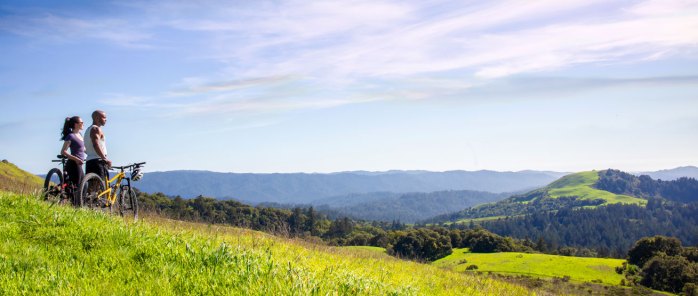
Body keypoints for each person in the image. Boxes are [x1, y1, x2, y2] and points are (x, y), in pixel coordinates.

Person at [60, 116, 86, 204]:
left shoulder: (80, 135)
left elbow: (83, 149)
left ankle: (77, 204)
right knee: (79, 185)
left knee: (84, 184)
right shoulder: (71, 136)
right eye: (81, 123)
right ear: (76, 124)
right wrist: (76, 159)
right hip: (73, 164)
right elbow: (63, 152)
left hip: (79, 164)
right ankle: (75, 206)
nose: (83, 124)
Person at [84, 110, 111, 180]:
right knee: (100, 188)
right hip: (97, 161)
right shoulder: (96, 129)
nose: (106, 120)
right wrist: (104, 158)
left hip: (90, 161)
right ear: (97, 118)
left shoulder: (88, 129)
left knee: (92, 189)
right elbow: (96, 145)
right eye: (104, 117)